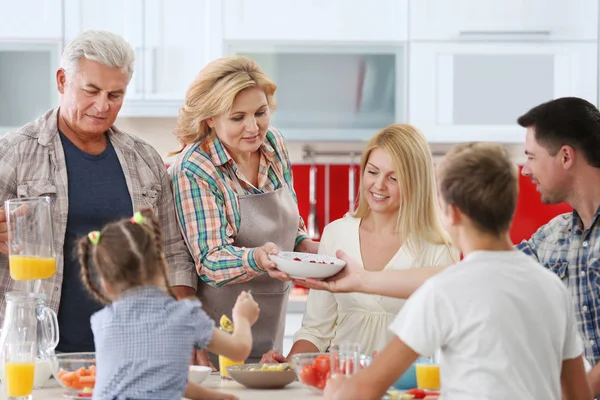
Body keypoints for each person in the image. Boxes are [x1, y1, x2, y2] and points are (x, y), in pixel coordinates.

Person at [298, 97, 600, 396]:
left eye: (531, 157)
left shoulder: (442, 291)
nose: (527, 168)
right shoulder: (551, 286)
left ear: (451, 212)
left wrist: (339, 387)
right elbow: (579, 394)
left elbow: (364, 390)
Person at [0, 30, 197, 353]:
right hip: (33, 354)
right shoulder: (14, 153)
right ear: (63, 81)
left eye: (115, 95)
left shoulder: (144, 159)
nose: (102, 106)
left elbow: (174, 256)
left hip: (133, 352)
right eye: (91, 90)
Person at [260, 124, 458, 364]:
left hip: (404, 389)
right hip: (338, 384)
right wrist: (288, 367)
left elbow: (443, 340)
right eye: (373, 172)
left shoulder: (438, 247)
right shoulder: (336, 234)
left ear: (416, 183)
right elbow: (316, 330)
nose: (379, 185)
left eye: (394, 178)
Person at [169, 55, 318, 368]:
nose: (254, 127)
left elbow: (291, 222)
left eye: (260, 113)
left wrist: (308, 246)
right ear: (210, 118)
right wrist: (259, 258)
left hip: (270, 327)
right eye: (238, 118)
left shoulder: (273, 143)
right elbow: (209, 260)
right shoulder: (195, 169)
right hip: (217, 339)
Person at [78, 209, 258, 400]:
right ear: (164, 264)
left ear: (106, 286)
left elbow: (160, 378)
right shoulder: (184, 315)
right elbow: (239, 349)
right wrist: (242, 318)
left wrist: (212, 397)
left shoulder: (101, 321)